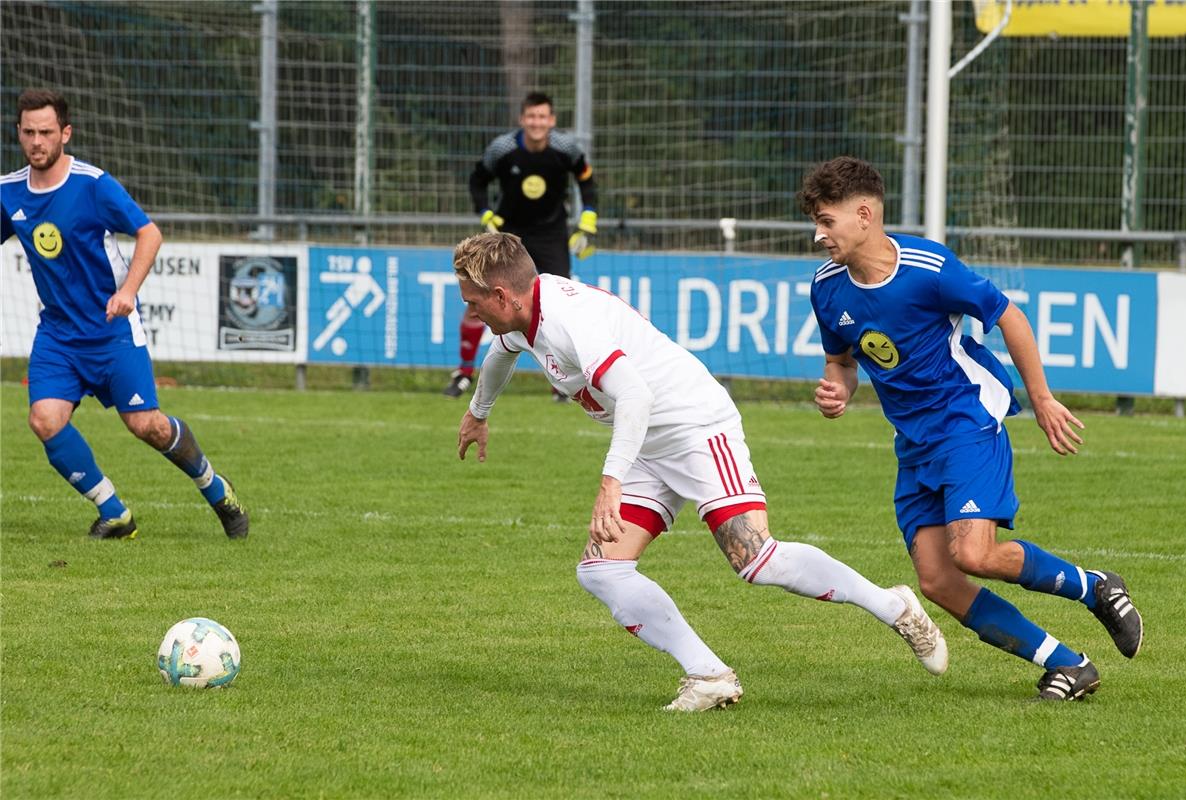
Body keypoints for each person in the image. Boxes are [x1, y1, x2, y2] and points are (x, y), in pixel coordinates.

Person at [453, 232, 948, 711]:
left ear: (501, 294)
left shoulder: (570, 318)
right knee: (601, 570)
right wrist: (478, 411)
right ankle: (709, 675)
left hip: (695, 427)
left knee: (757, 561)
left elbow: (635, 395)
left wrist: (611, 481)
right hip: (646, 439)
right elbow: (503, 351)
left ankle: (894, 606)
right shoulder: (521, 313)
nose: (469, 312)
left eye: (474, 303)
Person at [799, 156, 1143, 701]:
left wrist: (1043, 398)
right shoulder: (826, 289)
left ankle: (1093, 586)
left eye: (826, 221)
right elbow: (841, 362)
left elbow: (1008, 315)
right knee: (937, 581)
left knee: (974, 554)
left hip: (967, 417)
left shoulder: (928, 268)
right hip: (913, 443)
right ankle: (1067, 663)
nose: (818, 235)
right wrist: (837, 390)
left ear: (863, 214)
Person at [1, 89, 248, 540]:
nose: (37, 141)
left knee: (146, 426)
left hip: (111, 331)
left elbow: (148, 233)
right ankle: (114, 512)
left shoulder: (92, 185)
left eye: (46, 132)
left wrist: (129, 291)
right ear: (18, 133)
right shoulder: (9, 192)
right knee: (44, 420)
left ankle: (215, 487)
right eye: (29, 132)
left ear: (66, 133)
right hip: (58, 335)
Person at [445, 91, 599, 400]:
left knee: (560, 310)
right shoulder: (502, 149)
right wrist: (485, 212)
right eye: (531, 116)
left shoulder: (565, 148)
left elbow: (586, 179)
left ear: (551, 120)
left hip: (552, 235)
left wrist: (588, 219)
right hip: (507, 237)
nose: (537, 122)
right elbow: (477, 180)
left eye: (543, 117)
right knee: (479, 298)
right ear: (522, 119)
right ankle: (463, 374)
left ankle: (563, 383)